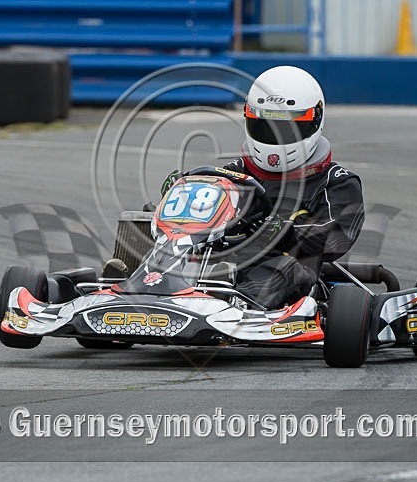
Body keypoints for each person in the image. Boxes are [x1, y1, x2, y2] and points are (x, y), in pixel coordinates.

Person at [108, 66, 365, 309]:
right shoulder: (235, 173)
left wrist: (287, 231)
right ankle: (133, 284)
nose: (276, 138)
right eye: (264, 126)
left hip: (285, 270)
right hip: (211, 259)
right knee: (144, 218)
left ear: (314, 121)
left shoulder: (337, 182)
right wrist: (182, 193)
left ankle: (227, 300)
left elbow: (336, 237)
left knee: (282, 268)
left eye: (288, 128)